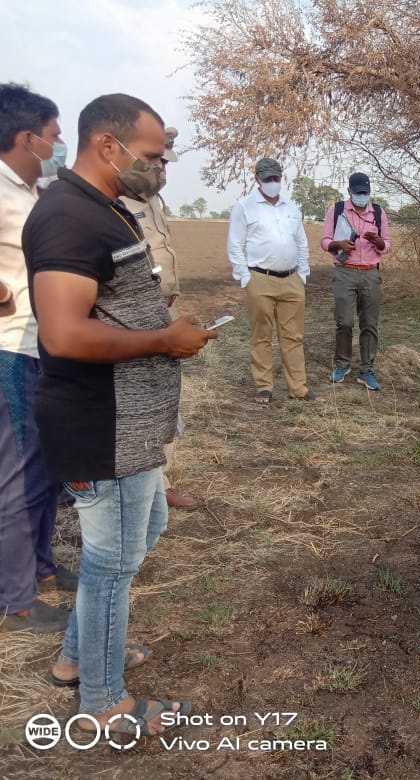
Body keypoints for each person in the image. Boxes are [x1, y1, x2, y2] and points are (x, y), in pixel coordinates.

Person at [23, 93, 215, 735]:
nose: (160, 166)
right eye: (154, 154)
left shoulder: (105, 209)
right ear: (109, 144)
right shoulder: (69, 216)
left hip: (130, 425)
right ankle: (105, 702)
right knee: (111, 564)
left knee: (146, 529)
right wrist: (164, 340)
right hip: (102, 425)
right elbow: (65, 334)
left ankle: (79, 656)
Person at [0, 83, 70, 634]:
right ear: (28, 137)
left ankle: (42, 568)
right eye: (53, 135)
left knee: (45, 469)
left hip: (41, 345)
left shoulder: (33, 191)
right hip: (12, 350)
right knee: (19, 475)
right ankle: (16, 599)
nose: (59, 142)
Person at [119, 126, 195, 509]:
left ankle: (158, 486)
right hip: (131, 317)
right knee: (137, 409)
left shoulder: (151, 199)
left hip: (162, 311)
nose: (163, 168)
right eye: (156, 160)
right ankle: (142, 491)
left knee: (164, 402)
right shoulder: (111, 201)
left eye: (165, 161)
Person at [227, 157, 316, 403]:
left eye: (276, 178)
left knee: (293, 335)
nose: (273, 183)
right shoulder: (245, 207)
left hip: (291, 279)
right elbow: (235, 245)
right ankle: (264, 385)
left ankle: (298, 387)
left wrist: (303, 273)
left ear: (281, 178)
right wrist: (245, 277)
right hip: (260, 278)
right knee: (262, 334)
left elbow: (301, 241)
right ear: (257, 179)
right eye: (267, 179)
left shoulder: (291, 207)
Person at [321, 172, 390, 390]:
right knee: (344, 321)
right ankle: (343, 364)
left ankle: (366, 370)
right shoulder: (337, 210)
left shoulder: (378, 213)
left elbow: (386, 244)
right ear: (350, 190)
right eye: (358, 192)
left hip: (370, 273)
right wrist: (338, 244)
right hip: (345, 272)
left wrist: (378, 241)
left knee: (369, 323)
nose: (362, 196)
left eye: (365, 192)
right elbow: (325, 241)